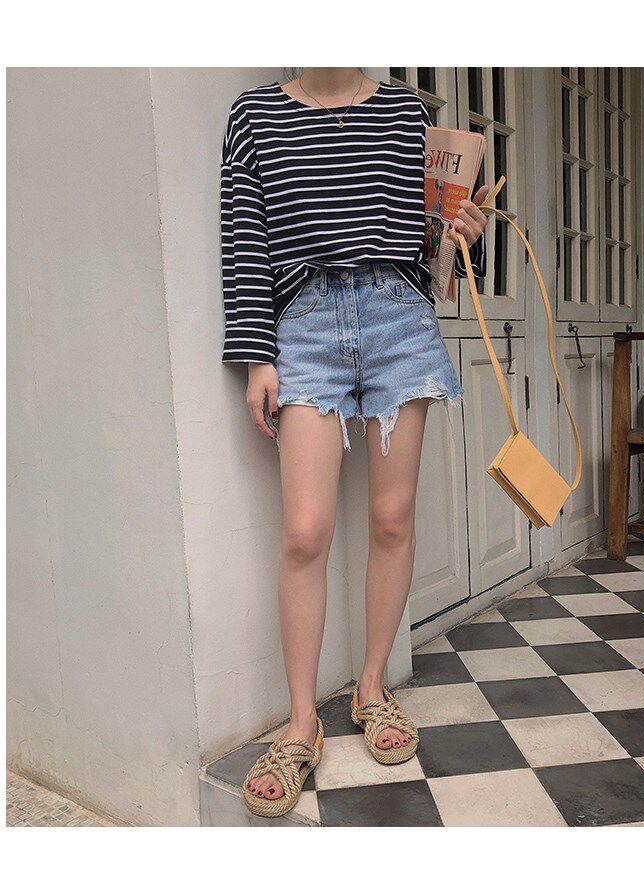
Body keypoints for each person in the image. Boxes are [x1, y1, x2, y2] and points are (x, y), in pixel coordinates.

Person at [220, 67, 488, 817]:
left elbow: (432, 244)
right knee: (305, 530)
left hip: (399, 316)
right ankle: (301, 721)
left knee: (391, 517)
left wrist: (463, 233)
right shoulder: (254, 116)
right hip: (303, 324)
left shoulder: (405, 111)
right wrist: (257, 356)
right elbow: (245, 244)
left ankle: (371, 687)